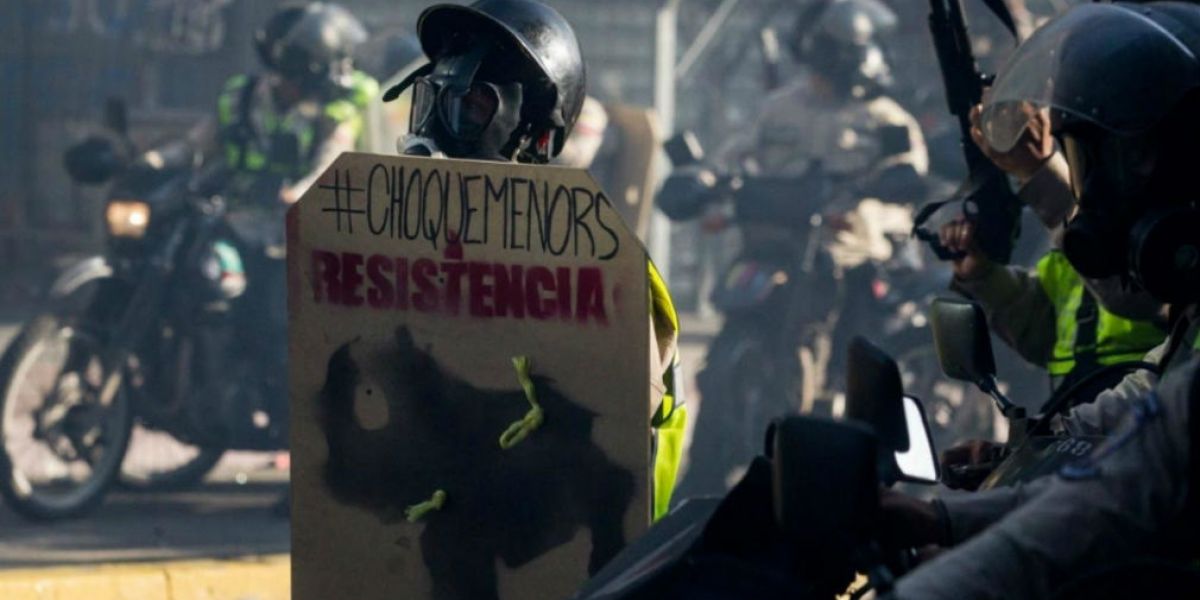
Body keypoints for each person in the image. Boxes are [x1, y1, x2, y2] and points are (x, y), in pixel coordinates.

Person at [880, 3, 1200, 597]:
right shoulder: (1185, 350)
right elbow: (1125, 444)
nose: (1099, 205)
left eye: (1125, 167)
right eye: (1090, 168)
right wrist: (1012, 463)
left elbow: (1115, 496)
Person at [381, 0, 686, 520]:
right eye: (433, 101)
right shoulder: (420, 250)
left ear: (533, 131)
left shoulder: (597, 271)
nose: (437, 126)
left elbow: (608, 449)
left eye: (470, 106)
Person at [934, 91, 1169, 489]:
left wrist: (1041, 175)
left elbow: (1142, 298)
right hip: (1083, 429)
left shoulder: (1167, 238)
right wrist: (986, 279)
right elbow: (1049, 331)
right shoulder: (1081, 232)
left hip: (1143, 454)